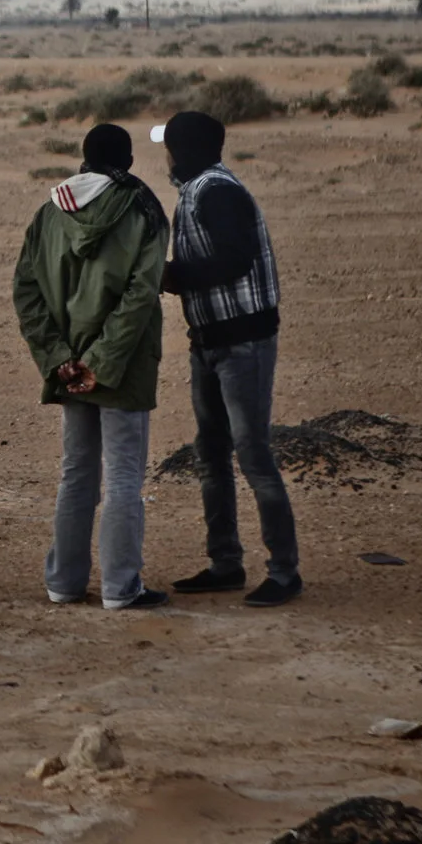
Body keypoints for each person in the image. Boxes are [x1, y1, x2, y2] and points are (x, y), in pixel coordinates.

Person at [12, 123, 170, 611]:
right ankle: (122, 587)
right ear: (128, 160)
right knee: (123, 476)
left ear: (83, 158)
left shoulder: (49, 212)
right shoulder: (143, 209)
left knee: (77, 473)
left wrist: (60, 359)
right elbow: (141, 293)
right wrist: (102, 362)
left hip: (68, 368)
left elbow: (27, 292)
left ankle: (64, 583)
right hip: (123, 367)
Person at [154, 110, 302, 607]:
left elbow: (235, 259)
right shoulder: (199, 190)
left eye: (169, 146)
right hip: (211, 340)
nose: (166, 156)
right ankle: (225, 563)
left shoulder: (216, 191)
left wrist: (173, 276)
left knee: (252, 454)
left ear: (182, 150)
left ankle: (284, 571)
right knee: (212, 452)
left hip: (243, 342)